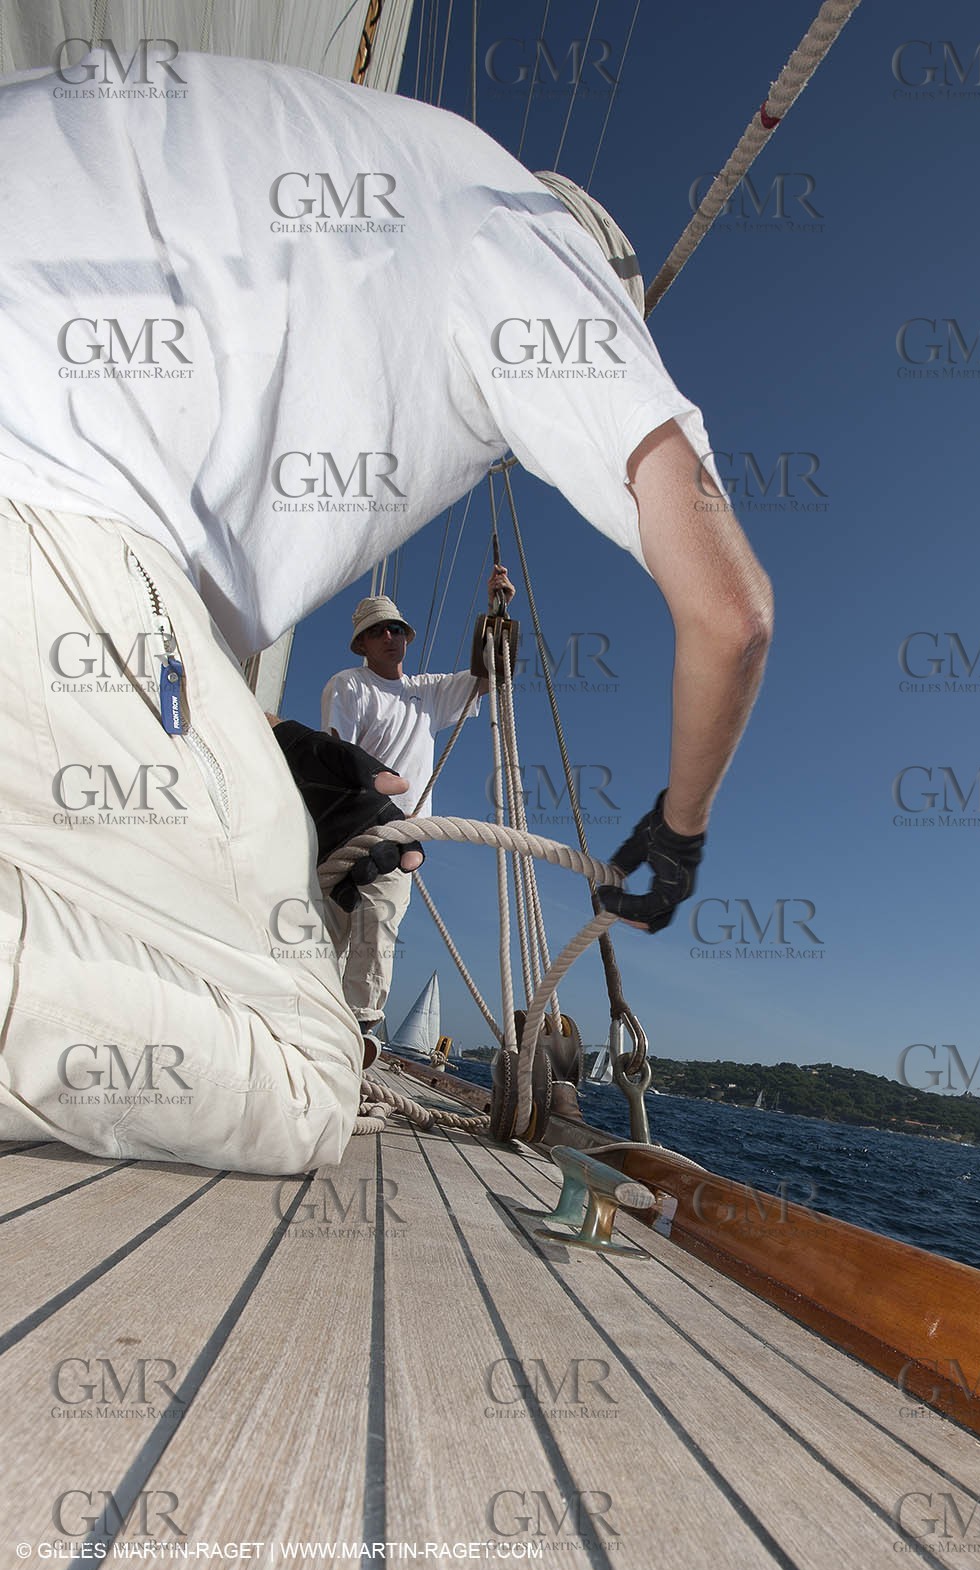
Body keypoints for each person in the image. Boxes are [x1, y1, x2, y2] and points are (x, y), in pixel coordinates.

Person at [0, 50, 772, 1174]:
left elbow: (471, 681)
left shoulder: (354, 146)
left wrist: (488, 624)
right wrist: (679, 831)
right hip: (56, 508)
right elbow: (731, 610)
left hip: (58, 525)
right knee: (298, 1066)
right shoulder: (541, 246)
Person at [321, 568, 515, 1033]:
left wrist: (496, 613)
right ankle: (311, 1021)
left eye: (395, 629)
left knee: (378, 929)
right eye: (376, 631)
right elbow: (335, 760)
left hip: (400, 837)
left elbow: (490, 674)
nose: (388, 636)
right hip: (349, 829)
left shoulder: (426, 692)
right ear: (362, 644)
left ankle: (360, 1030)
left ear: (406, 638)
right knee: (326, 933)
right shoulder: (348, 685)